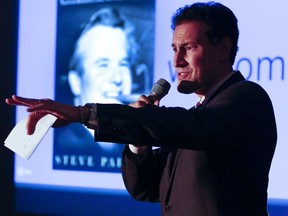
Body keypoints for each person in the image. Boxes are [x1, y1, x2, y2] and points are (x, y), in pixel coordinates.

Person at [6, 2, 277, 216]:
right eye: (174, 49)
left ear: (223, 49)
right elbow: (146, 189)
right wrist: (138, 141)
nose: (177, 60)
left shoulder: (246, 99)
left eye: (189, 48)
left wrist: (82, 113)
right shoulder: (198, 116)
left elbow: (188, 126)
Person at [54, 7, 151, 172]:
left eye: (123, 64)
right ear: (76, 81)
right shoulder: (63, 143)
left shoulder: (140, 142)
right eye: (103, 65)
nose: (117, 78)